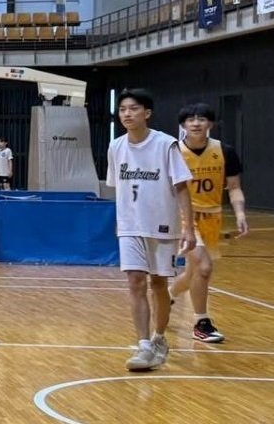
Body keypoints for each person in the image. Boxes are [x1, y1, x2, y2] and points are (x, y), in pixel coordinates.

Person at [105, 89, 194, 373]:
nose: (127, 114)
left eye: (133, 108)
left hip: (162, 225)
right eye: (122, 109)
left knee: (158, 284)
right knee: (134, 281)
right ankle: (143, 345)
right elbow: (117, 187)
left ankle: (159, 338)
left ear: (147, 113)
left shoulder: (166, 145)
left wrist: (188, 228)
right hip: (130, 225)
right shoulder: (116, 146)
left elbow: (181, 187)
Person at [170, 103, 248, 344]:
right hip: (182, 216)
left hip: (212, 216)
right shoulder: (173, 152)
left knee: (193, 273)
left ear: (210, 124)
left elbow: (234, 188)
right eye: (190, 119)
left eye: (201, 119)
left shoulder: (225, 151)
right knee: (204, 268)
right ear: (183, 125)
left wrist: (240, 214)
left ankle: (167, 295)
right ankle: (201, 323)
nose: (196, 123)